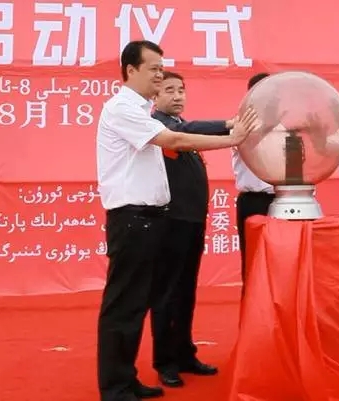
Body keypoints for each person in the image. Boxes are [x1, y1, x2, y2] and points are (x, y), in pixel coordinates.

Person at [95, 40, 257, 401]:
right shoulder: (122, 109)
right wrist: (233, 138)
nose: (159, 75)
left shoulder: (139, 111)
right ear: (130, 71)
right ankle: (115, 387)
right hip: (132, 219)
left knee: (138, 303)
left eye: (161, 67)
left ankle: (127, 378)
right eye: (153, 69)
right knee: (124, 306)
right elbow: (175, 138)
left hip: (152, 219)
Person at [149, 71, 229, 388]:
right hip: (171, 222)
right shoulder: (160, 127)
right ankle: (165, 361)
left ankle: (184, 353)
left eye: (181, 90)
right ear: (155, 96)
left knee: (186, 291)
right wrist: (229, 125)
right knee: (167, 293)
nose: (177, 95)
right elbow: (187, 132)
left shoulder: (180, 126)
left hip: (192, 222)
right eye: (169, 90)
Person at [232, 72, 275, 293]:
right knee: (253, 263)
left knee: (281, 261)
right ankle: (253, 310)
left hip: (283, 201)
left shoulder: (288, 126)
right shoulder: (240, 126)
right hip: (254, 202)